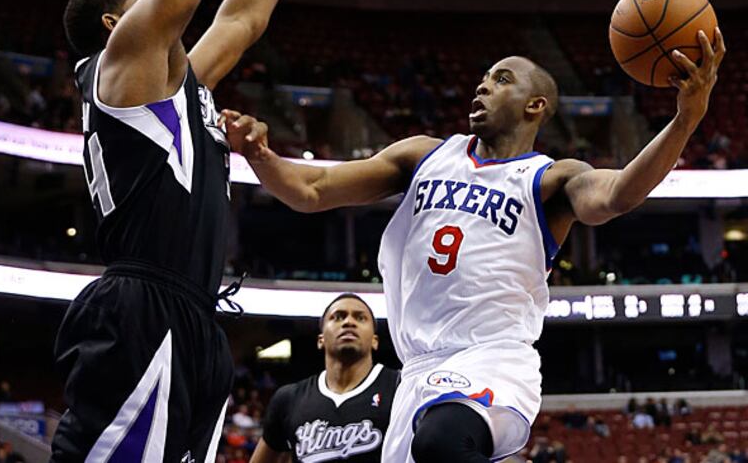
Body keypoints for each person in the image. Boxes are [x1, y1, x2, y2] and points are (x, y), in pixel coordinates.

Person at [226, 28, 725, 462]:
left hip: (493, 357)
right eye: (484, 77)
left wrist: (686, 119)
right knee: (435, 441)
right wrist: (261, 155)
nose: (483, 85)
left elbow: (618, 194)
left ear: (536, 106)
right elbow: (312, 190)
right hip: (417, 370)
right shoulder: (423, 155)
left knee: (442, 441)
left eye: (502, 79)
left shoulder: (549, 180)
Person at [52, 0, 296, 460]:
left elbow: (241, 21)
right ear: (115, 25)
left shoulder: (176, 85)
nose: (164, 4)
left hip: (194, 314)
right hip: (142, 305)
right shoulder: (123, 64)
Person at [250, 294, 400, 463]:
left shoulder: (399, 388)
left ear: (375, 341)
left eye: (360, 317)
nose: (349, 322)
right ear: (321, 340)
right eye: (338, 317)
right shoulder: (289, 399)